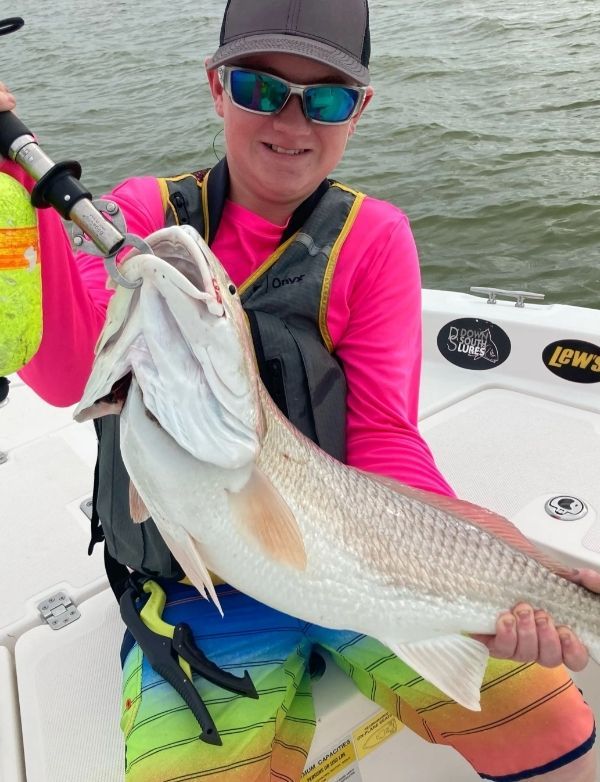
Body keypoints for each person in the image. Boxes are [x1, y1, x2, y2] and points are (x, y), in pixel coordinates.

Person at [1, 1, 598, 780]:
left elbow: (384, 434)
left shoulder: (374, 236)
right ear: (217, 88)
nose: (292, 120)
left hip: (371, 570)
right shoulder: (147, 214)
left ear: (360, 110)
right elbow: (64, 368)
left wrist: (505, 562)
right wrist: (17, 175)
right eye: (259, 87)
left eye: (325, 98)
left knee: (551, 721)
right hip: (193, 588)